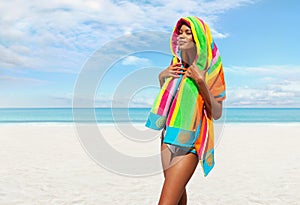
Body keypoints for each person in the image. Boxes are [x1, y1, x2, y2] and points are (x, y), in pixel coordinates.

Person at [145, 16, 226, 205]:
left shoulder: (211, 68)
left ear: (199, 38)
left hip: (191, 144)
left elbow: (217, 112)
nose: (181, 36)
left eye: (188, 33)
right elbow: (171, 103)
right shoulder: (176, 64)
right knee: (178, 196)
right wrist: (161, 77)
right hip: (167, 137)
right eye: (180, 32)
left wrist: (200, 82)